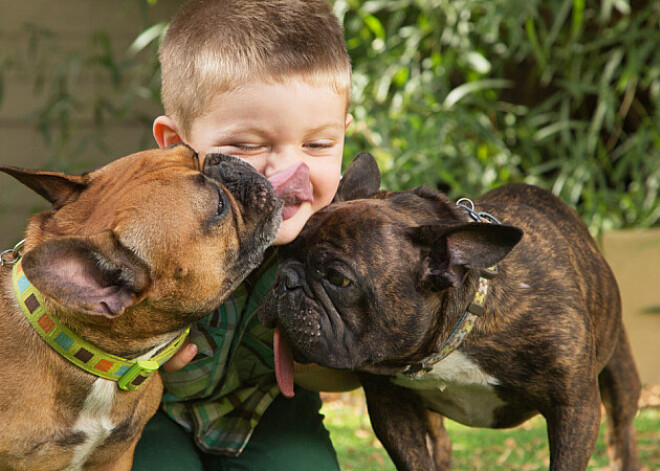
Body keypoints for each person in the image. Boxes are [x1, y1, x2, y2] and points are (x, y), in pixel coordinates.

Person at [132, 0, 355, 469]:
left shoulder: (342, 243)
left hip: (268, 409)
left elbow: (347, 380)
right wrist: (139, 357)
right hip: (151, 410)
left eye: (318, 145)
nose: (289, 171)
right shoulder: (142, 226)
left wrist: (320, 350)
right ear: (176, 145)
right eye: (247, 145)